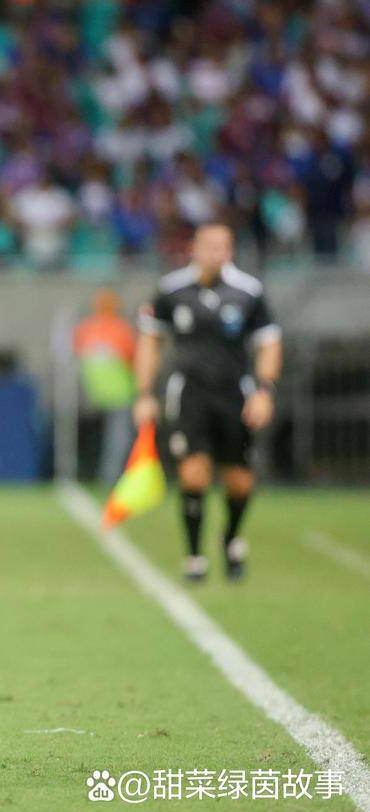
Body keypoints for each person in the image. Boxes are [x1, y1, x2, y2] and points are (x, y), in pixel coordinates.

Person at [134, 223, 282, 581]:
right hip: (189, 393)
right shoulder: (171, 290)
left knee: (239, 481)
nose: (216, 253)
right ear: (194, 248)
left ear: (230, 251)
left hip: (234, 393)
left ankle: (230, 537)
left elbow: (269, 343)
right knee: (193, 473)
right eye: (209, 246)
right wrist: (145, 394)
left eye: (223, 247)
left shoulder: (248, 291)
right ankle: (195, 557)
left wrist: (265, 391)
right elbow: (150, 341)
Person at [73, 289, 136, 485]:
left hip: (92, 393)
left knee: (108, 439)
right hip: (120, 393)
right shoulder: (120, 330)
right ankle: (111, 478)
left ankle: (101, 474)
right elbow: (133, 358)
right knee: (119, 439)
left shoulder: (84, 329)